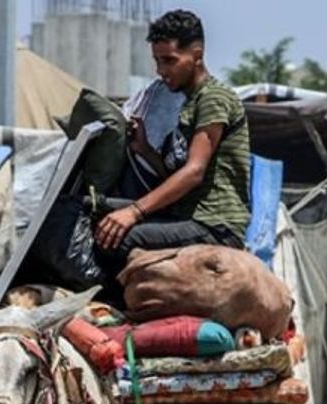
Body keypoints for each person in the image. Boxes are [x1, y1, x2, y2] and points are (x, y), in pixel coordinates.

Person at [95, 10, 251, 266]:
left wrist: (135, 212)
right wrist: (144, 150)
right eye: (157, 61)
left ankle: (114, 304)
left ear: (197, 55)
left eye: (169, 60)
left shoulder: (214, 98)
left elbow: (194, 172)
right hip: (190, 216)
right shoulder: (190, 103)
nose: (161, 71)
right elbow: (176, 177)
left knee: (117, 238)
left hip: (215, 225)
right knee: (92, 210)